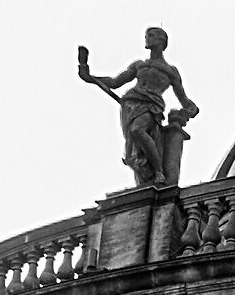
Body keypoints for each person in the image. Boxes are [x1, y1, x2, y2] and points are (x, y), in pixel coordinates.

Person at [78, 28, 199, 190]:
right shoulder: (139, 65)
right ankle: (150, 172)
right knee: (134, 143)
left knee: (137, 130)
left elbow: (183, 97)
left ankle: (159, 171)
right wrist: (90, 77)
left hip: (152, 104)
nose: (147, 38)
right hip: (131, 104)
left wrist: (191, 109)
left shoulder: (170, 71)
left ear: (161, 40)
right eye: (146, 36)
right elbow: (115, 82)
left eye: (151, 35)